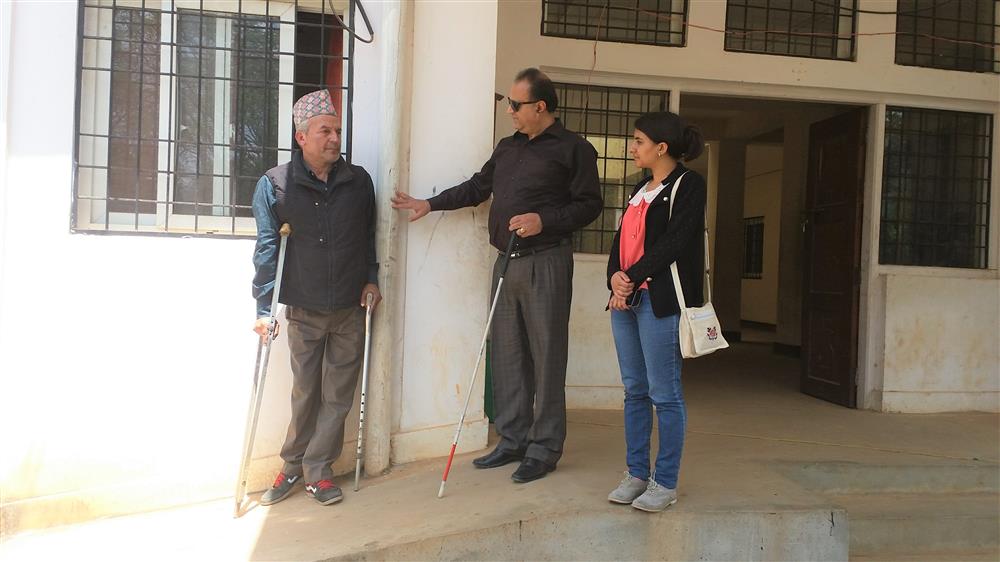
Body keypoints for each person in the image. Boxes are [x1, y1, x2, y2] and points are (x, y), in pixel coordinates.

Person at [391, 68, 601, 483]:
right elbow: (477, 187)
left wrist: (545, 219)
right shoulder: (508, 147)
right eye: (508, 102)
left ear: (540, 107)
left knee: (546, 357)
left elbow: (590, 205)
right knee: (506, 353)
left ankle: (544, 448)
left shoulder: (574, 149)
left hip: (547, 260)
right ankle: (512, 439)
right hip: (505, 261)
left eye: (515, 104)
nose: (509, 111)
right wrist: (429, 204)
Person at [251, 89, 381, 506]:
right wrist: (263, 307)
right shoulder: (275, 184)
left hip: (349, 305)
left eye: (337, 130)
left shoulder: (358, 181)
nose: (334, 138)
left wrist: (372, 279)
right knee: (306, 391)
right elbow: (268, 248)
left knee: (339, 394)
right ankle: (291, 466)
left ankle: (318, 471)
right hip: (304, 308)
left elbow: (368, 237)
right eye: (325, 130)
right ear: (302, 136)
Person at [605, 111, 705, 512]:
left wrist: (630, 275)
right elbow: (620, 240)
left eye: (639, 141)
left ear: (661, 148)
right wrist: (614, 276)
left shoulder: (688, 185)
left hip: (658, 301)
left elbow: (675, 243)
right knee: (634, 391)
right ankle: (635, 474)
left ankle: (664, 482)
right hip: (624, 300)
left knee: (665, 395)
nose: (633, 147)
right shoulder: (638, 188)